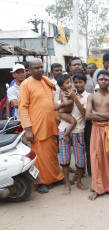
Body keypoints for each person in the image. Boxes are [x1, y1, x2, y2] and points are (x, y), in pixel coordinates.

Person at [18, 58, 64, 193]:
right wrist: (28, 129)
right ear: (29, 70)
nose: (39, 70)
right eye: (36, 68)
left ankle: (56, 177)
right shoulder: (26, 85)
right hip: (36, 126)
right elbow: (23, 108)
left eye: (41, 67)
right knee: (40, 156)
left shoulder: (45, 80)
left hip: (50, 123)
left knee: (52, 153)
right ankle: (41, 182)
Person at [86, 69, 109, 201]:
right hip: (96, 130)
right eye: (101, 79)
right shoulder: (92, 96)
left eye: (106, 79)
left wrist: (97, 114)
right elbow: (88, 115)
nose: (103, 81)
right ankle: (97, 188)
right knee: (96, 158)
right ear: (97, 80)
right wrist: (108, 116)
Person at [58, 72, 89, 195]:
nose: (77, 84)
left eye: (80, 82)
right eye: (75, 82)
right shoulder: (67, 93)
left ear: (85, 83)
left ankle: (79, 182)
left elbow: (84, 114)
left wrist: (75, 98)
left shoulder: (88, 96)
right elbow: (60, 108)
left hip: (78, 131)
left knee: (80, 160)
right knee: (65, 159)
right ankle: (67, 184)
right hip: (64, 129)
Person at [55, 74, 77, 144]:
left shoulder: (70, 90)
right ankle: (65, 135)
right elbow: (66, 103)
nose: (70, 84)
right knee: (73, 122)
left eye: (70, 82)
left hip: (67, 112)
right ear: (61, 86)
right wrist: (74, 99)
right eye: (67, 83)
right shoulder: (63, 93)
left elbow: (74, 90)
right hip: (63, 113)